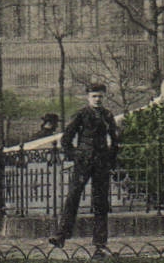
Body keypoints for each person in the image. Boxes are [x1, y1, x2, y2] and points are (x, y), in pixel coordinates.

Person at [48, 83, 121, 257]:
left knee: (101, 203)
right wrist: (75, 155)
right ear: (88, 98)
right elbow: (66, 139)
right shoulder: (81, 115)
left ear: (104, 97)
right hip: (84, 162)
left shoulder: (107, 115)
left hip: (101, 163)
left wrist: (110, 157)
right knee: (73, 197)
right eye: (94, 96)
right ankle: (61, 235)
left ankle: (100, 244)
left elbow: (115, 139)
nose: (97, 99)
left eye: (100, 96)